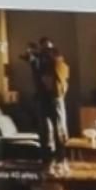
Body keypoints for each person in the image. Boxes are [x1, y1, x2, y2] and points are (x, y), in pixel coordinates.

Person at [35, 37, 71, 175]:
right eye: (43, 48)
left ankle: (61, 161)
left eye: (48, 47)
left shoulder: (58, 60)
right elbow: (39, 78)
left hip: (55, 98)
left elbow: (63, 80)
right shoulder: (38, 61)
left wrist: (59, 91)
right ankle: (48, 162)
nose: (46, 50)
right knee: (46, 130)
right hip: (43, 98)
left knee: (59, 129)